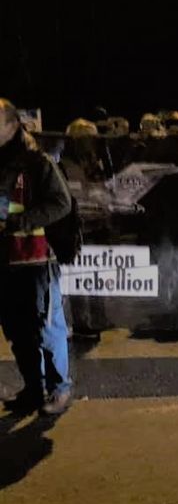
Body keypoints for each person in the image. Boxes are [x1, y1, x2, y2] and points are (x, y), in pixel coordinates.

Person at [0, 98, 74, 415]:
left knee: (46, 328)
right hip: (6, 263)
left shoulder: (37, 162)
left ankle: (59, 390)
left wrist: (19, 222)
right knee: (18, 332)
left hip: (37, 261)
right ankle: (34, 389)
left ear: (11, 125)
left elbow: (61, 203)